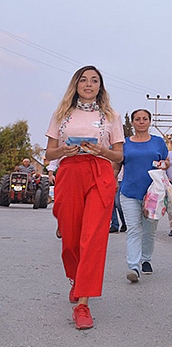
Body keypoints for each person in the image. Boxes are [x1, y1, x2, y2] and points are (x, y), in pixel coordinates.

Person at [45, 65, 124, 330]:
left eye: (94, 80)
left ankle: (83, 304)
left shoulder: (111, 116)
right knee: (70, 237)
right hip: (70, 171)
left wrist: (102, 150)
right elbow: (49, 154)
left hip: (99, 171)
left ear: (100, 86)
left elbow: (119, 156)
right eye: (83, 80)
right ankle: (75, 279)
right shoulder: (62, 115)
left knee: (92, 238)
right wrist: (65, 151)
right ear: (76, 84)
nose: (89, 84)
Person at [116, 108, 169, 283]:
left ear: (149, 121)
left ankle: (146, 259)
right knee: (133, 229)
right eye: (137, 119)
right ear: (132, 123)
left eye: (144, 118)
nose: (141, 122)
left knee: (149, 230)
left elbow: (167, 161)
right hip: (130, 192)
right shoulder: (124, 143)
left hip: (153, 195)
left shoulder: (158, 142)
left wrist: (164, 164)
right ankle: (133, 266)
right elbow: (116, 165)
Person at [109, 166, 127, 233]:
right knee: (111, 203)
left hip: (123, 180)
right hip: (113, 177)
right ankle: (114, 224)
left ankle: (124, 222)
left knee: (118, 203)